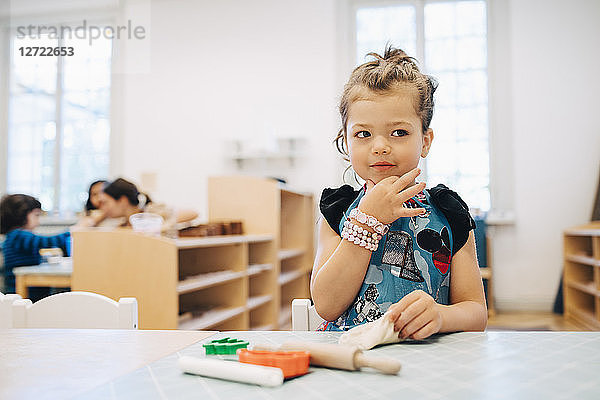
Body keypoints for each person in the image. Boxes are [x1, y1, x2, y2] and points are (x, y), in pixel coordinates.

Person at [311, 46, 487, 338]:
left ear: (425, 141)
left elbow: (476, 312)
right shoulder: (338, 212)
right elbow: (327, 305)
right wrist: (367, 218)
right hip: (352, 359)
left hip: (431, 361)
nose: (380, 146)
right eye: (363, 134)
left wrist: (442, 316)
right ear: (346, 141)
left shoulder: (449, 212)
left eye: (399, 132)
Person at [0, 194, 71, 298]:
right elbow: (47, 242)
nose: (38, 221)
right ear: (22, 215)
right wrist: (72, 231)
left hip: (28, 289)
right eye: (36, 215)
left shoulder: (15, 235)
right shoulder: (18, 235)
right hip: (21, 292)